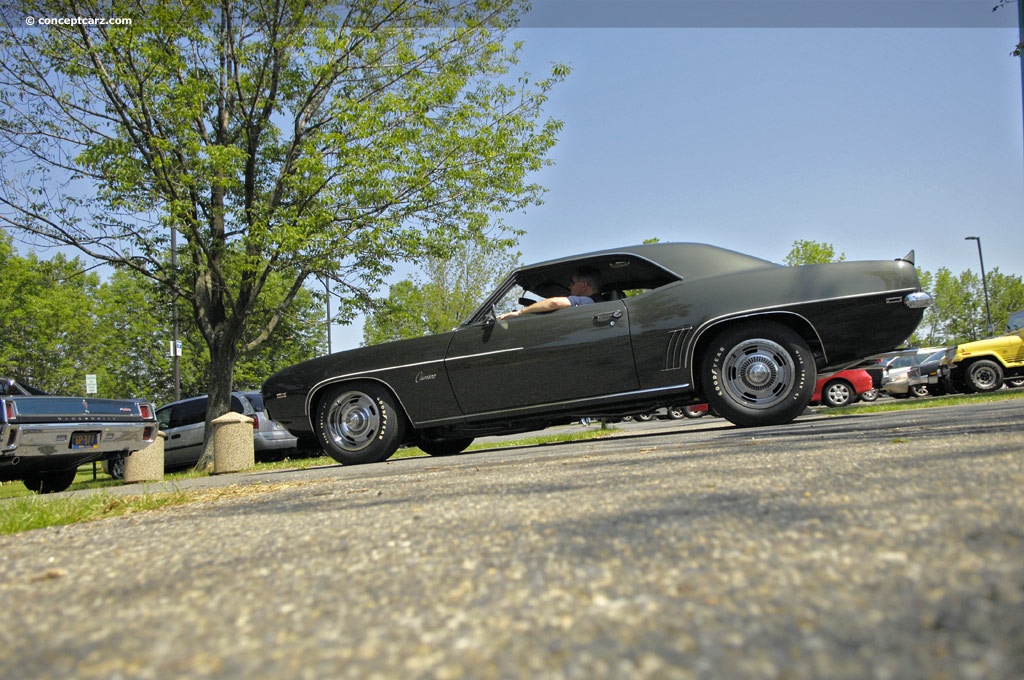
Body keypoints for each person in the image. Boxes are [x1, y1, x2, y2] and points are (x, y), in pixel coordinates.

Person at [498, 267, 604, 320]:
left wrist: (520, 313)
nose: (569, 286)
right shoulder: (598, 303)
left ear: (584, 285)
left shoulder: (589, 301)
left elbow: (555, 303)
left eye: (572, 283)